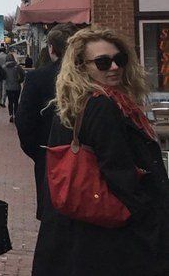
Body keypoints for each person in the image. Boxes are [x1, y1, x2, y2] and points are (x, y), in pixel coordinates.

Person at [32, 27, 169, 275]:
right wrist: (151, 219)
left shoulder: (73, 103)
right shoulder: (103, 105)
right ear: (81, 66)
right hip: (109, 235)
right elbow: (119, 173)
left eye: (120, 59)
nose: (114, 67)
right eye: (103, 62)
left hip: (76, 231)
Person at [15, 24, 75, 219]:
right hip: (85, 156)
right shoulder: (90, 75)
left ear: (51, 48)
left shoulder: (37, 77)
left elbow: (24, 120)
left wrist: (38, 151)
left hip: (48, 153)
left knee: (52, 213)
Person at [2, 55, 25, 122]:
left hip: (8, 87)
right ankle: (16, 114)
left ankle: (11, 114)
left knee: (10, 101)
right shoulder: (17, 67)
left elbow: (3, 76)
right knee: (16, 101)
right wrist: (19, 81)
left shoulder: (4, 67)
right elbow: (23, 75)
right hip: (17, 87)